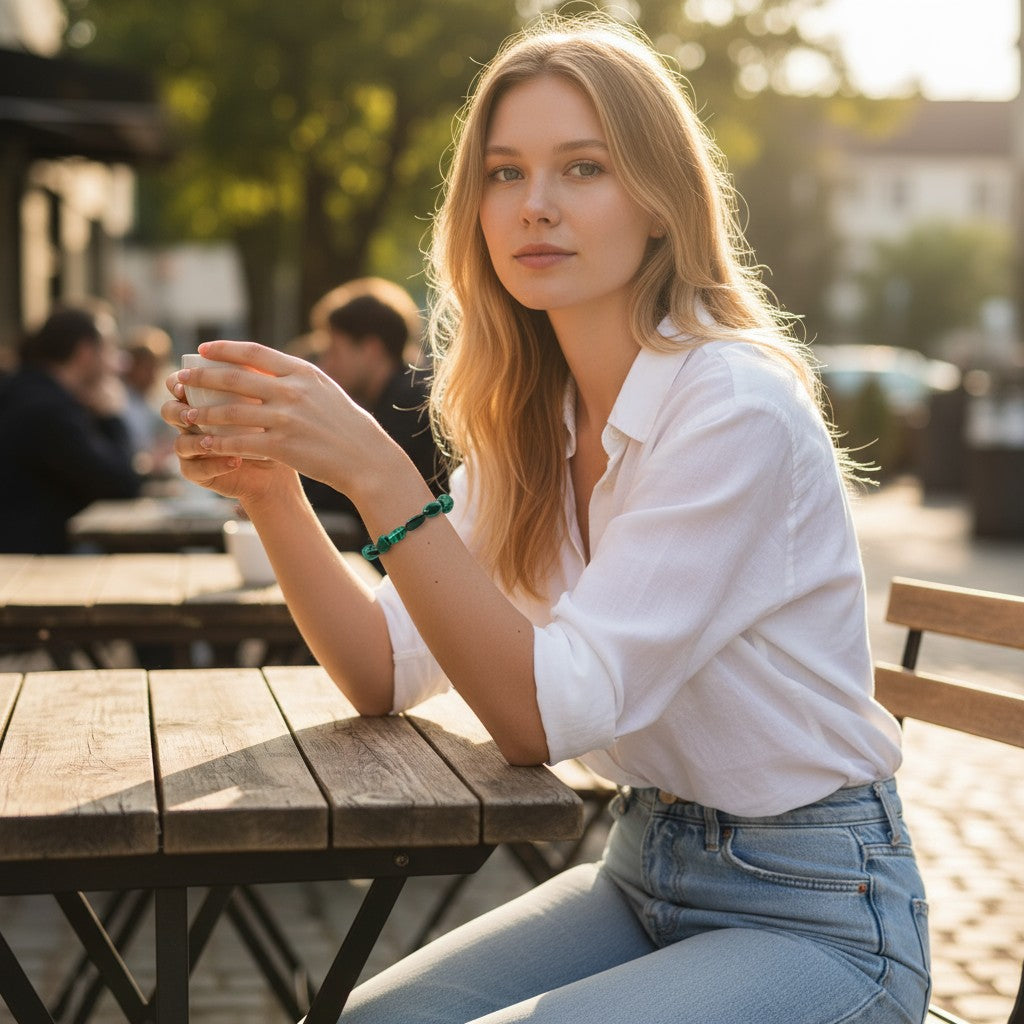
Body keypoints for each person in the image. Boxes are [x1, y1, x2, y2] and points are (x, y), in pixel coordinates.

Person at [162, 15, 930, 1024]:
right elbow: (380, 667)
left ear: (659, 202)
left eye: (582, 168)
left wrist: (378, 472)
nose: (535, 205)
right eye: (504, 173)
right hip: (642, 868)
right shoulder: (537, 419)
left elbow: (538, 720)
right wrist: (271, 490)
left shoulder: (732, 409)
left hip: (820, 915)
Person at [299, 278, 447, 549]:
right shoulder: (408, 393)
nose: (326, 364)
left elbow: (340, 489)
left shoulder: (409, 406)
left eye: (334, 350)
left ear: (370, 349)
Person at [0, 307, 141, 553]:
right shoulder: (48, 410)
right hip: (31, 561)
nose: (116, 364)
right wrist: (111, 417)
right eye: (109, 349)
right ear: (85, 352)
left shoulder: (26, 390)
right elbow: (122, 484)